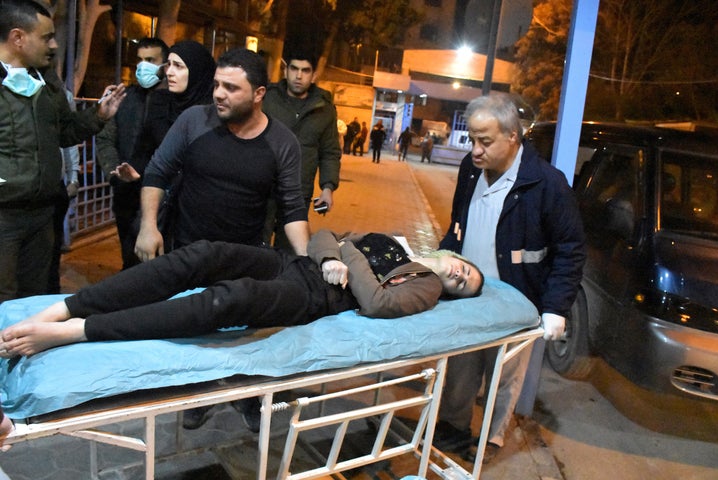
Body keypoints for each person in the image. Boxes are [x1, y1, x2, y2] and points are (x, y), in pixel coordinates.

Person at [0, 230, 484, 357]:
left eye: (464, 285)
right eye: (467, 270)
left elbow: (377, 303)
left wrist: (347, 252)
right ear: (453, 253)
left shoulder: (424, 287)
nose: (460, 277)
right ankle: (62, 307)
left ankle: (77, 332)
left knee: (230, 299)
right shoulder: (401, 242)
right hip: (294, 263)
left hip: (314, 301)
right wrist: (333, 253)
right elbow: (322, 236)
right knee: (203, 255)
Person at [435, 94, 585, 463]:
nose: (475, 150)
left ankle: (491, 438)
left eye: (485, 141)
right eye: (472, 139)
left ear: (513, 137)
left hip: (517, 301)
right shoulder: (470, 172)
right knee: (460, 366)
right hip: (467, 296)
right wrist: (440, 261)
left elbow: (570, 248)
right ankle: (453, 428)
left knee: (504, 377)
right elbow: (458, 225)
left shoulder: (546, 184)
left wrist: (554, 307)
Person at [0, 0, 125, 304]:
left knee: (34, 297)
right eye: (46, 37)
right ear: (18, 38)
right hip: (4, 217)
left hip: (42, 213)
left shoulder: (45, 81)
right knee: (4, 296)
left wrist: (99, 115)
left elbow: (65, 131)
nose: (54, 45)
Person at [134, 47, 309, 263]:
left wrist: (306, 260)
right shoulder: (193, 120)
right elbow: (157, 172)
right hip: (185, 254)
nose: (218, 93)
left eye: (231, 87)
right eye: (216, 84)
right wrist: (148, 227)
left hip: (244, 262)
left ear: (259, 93)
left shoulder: (283, 142)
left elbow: (292, 208)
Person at [110, 40, 215, 257]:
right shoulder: (160, 102)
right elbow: (146, 149)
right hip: (157, 207)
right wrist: (136, 172)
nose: (170, 72)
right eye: (169, 65)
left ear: (196, 70)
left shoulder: (212, 113)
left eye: (179, 66)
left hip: (195, 212)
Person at [95, 37, 170, 270]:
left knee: (158, 264)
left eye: (150, 60)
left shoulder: (175, 101)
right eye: (139, 60)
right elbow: (105, 139)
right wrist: (115, 173)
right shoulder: (125, 99)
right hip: (126, 194)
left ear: (165, 65)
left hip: (163, 198)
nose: (142, 66)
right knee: (129, 258)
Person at [262, 49, 341, 249]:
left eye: (305, 71)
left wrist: (327, 187)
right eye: (294, 69)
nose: (299, 76)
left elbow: (330, 152)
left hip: (298, 192)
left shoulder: (324, 108)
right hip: (262, 188)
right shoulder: (267, 99)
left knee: (289, 252)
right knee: (255, 247)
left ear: (314, 75)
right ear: (285, 70)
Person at [47, 85, 81, 294]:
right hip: (13, 189)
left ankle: (47, 296)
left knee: (51, 251)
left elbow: (69, 140)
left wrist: (73, 176)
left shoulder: (61, 94)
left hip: (54, 186)